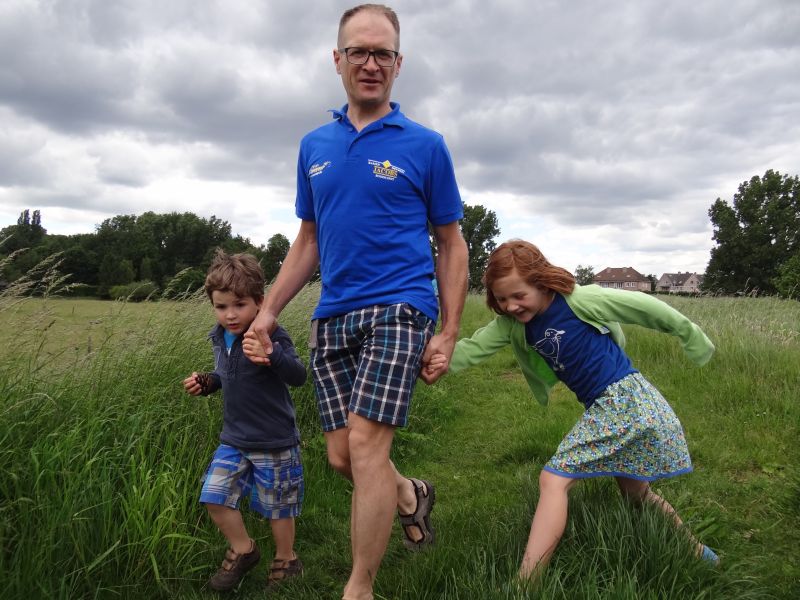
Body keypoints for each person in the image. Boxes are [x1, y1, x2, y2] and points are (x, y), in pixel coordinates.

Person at [245, 4, 468, 599]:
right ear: (337, 60)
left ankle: (359, 588)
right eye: (359, 52)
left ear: (399, 64)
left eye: (384, 54)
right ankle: (410, 495)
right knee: (344, 458)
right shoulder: (313, 145)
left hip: (400, 307)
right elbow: (309, 240)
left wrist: (447, 332)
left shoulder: (426, 146)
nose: (371, 64)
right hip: (332, 316)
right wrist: (267, 312)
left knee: (368, 447)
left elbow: (450, 243)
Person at [424, 239, 720, 582]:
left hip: (624, 399)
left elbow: (645, 307)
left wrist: (689, 335)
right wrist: (436, 361)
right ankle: (698, 552)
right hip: (616, 405)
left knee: (553, 479)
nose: (512, 306)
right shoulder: (512, 325)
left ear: (541, 280)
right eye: (502, 299)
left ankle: (526, 583)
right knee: (635, 491)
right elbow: (474, 348)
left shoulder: (580, 300)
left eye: (519, 295)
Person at [183, 251, 307, 592]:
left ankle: (286, 559)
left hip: (274, 439)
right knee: (213, 496)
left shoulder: (273, 336)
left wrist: (273, 356)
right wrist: (208, 382)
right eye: (221, 307)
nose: (230, 314)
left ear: (259, 302)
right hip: (234, 439)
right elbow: (226, 375)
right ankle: (244, 549)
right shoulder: (219, 338)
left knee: (279, 508)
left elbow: (298, 376)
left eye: (239, 304)